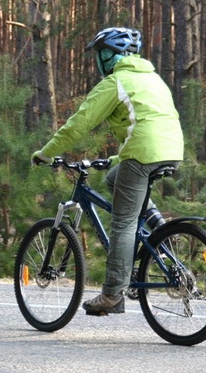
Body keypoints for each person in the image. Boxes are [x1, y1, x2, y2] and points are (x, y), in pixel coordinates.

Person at [31, 27, 184, 315]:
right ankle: (159, 227)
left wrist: (45, 153)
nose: (98, 61)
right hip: (172, 150)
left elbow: (79, 124)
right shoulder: (152, 78)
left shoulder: (116, 82)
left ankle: (112, 295)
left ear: (107, 56)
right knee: (115, 178)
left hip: (142, 153)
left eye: (99, 55)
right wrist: (114, 159)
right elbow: (146, 124)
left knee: (123, 224)